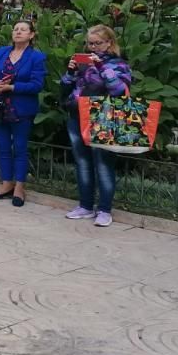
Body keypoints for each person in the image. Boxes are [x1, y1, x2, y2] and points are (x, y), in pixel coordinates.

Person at [60, 24, 131, 228]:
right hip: (78, 115)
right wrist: (71, 72)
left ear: (109, 43)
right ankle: (85, 206)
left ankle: (105, 210)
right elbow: (66, 86)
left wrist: (101, 67)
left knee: (103, 163)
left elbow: (118, 91)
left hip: (104, 117)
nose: (93, 47)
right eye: (90, 43)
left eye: (98, 43)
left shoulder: (119, 64)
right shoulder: (83, 62)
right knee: (82, 163)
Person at [0, 20, 48, 207]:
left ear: (31, 35)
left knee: (20, 148)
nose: (18, 32)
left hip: (21, 108)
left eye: (23, 30)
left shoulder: (36, 57)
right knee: (3, 147)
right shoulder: (1, 52)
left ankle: (20, 188)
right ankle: (6, 184)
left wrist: (13, 87)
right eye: (15, 29)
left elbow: (37, 85)